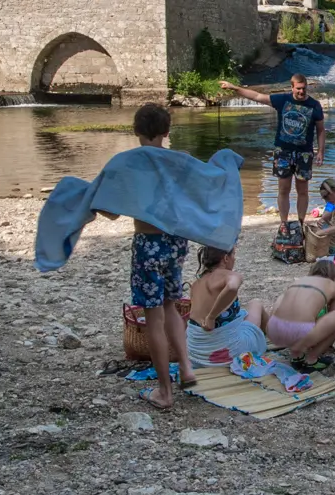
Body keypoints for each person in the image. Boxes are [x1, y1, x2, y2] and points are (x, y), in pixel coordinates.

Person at [107, 104, 196, 409]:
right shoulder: (181, 161)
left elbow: (111, 211)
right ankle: (185, 367)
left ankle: (164, 392)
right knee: (172, 306)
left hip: (149, 243)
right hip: (176, 242)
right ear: (166, 131)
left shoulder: (131, 165)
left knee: (153, 317)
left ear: (135, 131)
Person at [220, 74, 325, 233]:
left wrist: (321, 151)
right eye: (298, 89)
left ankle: (301, 222)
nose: (301, 92)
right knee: (283, 189)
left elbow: (321, 130)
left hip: (304, 154)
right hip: (283, 152)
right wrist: (234, 88)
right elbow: (257, 96)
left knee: (302, 190)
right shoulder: (282, 100)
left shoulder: (314, 105)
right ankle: (284, 223)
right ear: (292, 87)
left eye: (304, 88)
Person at [245, 258, 335, 366]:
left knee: (286, 299)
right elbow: (332, 318)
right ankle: (311, 358)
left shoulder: (299, 282)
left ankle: (297, 356)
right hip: (299, 330)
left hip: (274, 331)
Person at [183, 245, 267, 365]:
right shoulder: (231, 275)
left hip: (196, 356)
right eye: (233, 255)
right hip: (229, 355)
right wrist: (211, 317)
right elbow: (232, 287)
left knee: (240, 316)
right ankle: (278, 338)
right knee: (255, 304)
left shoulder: (196, 284)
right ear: (226, 258)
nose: (234, 259)